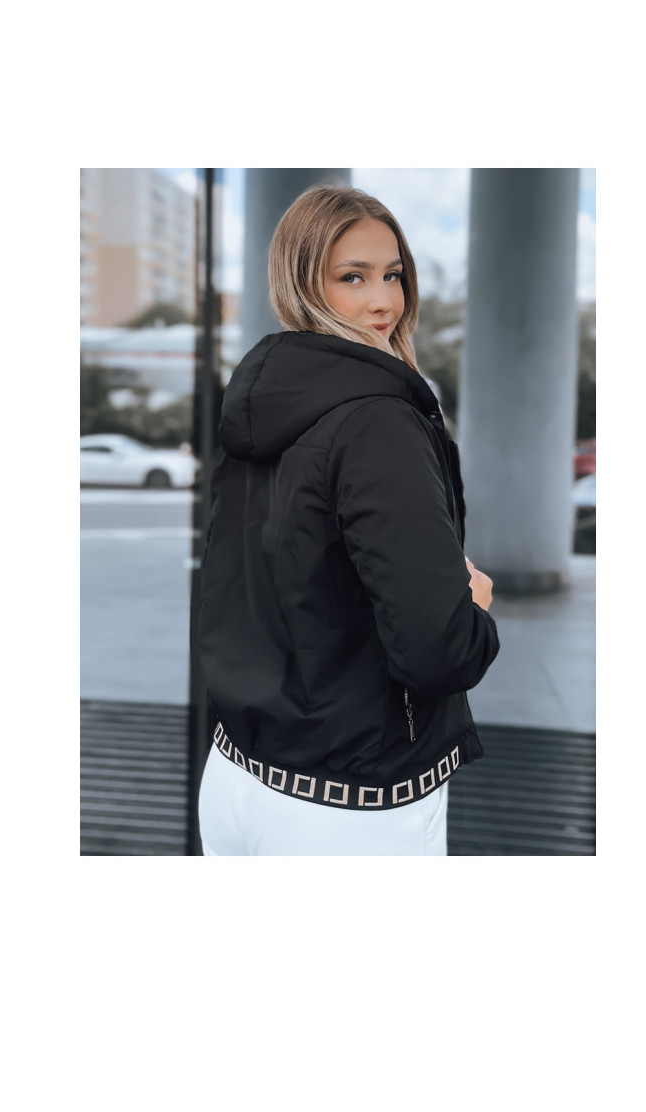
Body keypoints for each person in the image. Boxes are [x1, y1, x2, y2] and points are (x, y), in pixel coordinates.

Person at [194, 185, 500, 855]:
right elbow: (439, 650)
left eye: (393, 274)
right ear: (301, 281)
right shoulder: (379, 421)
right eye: (352, 277)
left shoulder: (259, 401)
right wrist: (474, 610)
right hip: (351, 809)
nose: (384, 301)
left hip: (236, 779)